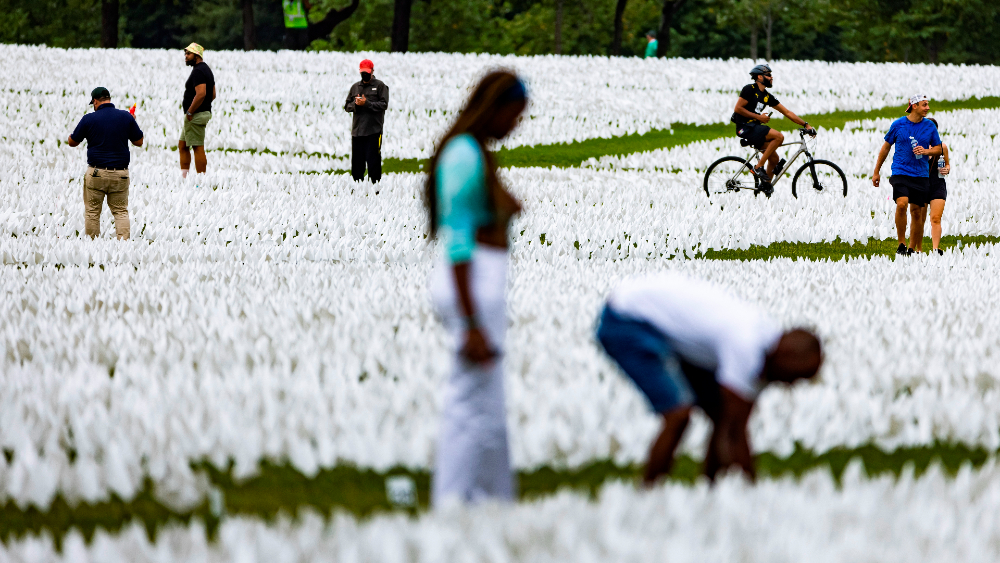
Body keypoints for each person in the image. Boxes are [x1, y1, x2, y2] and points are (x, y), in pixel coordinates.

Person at [596, 273, 822, 486]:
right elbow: (735, 431)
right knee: (678, 415)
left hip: (656, 322)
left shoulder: (768, 345)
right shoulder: (746, 346)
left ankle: (709, 494)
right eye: (794, 377)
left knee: (719, 413)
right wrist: (753, 494)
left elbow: (730, 420)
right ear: (785, 359)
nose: (790, 385)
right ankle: (647, 496)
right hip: (627, 319)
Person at [426, 70, 526, 506]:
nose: (516, 125)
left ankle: (486, 499)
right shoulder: (464, 154)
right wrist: (469, 322)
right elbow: (460, 239)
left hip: (479, 284)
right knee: (470, 402)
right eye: (515, 115)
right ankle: (456, 499)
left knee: (485, 402)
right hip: (471, 286)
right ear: (497, 107)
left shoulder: (472, 152)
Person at [66, 87, 144, 240]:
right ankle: (124, 245)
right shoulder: (126, 117)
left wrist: (70, 136)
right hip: (120, 174)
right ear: (109, 99)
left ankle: (93, 247)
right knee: (120, 211)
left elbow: (73, 142)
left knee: (92, 212)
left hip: (96, 174)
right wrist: (131, 122)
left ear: (95, 102)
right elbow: (139, 142)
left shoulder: (89, 119)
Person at [872, 95, 942, 255]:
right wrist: (876, 171)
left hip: (921, 174)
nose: (928, 108)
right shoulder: (898, 125)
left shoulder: (930, 126)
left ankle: (911, 248)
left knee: (917, 211)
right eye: (924, 105)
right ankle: (901, 243)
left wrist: (926, 151)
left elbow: (938, 149)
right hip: (900, 171)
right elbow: (885, 148)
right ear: (914, 106)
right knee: (902, 203)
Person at [731, 64, 814, 189]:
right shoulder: (749, 89)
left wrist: (806, 125)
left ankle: (766, 186)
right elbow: (738, 109)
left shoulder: (766, 96)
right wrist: (759, 117)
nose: (771, 77)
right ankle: (758, 167)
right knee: (779, 137)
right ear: (759, 77)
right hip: (745, 127)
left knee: (775, 159)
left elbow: (787, 112)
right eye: (768, 75)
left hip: (754, 127)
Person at [344, 59, 389, 184]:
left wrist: (367, 103)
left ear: (372, 71)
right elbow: (347, 106)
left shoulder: (380, 86)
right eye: (363, 72)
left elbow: (384, 105)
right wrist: (356, 104)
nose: (365, 74)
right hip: (357, 131)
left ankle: (375, 188)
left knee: (373, 161)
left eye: (367, 72)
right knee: (357, 163)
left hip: (373, 131)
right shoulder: (355, 87)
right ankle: (357, 187)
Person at [179, 43, 216, 178]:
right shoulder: (206, 70)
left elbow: (201, 94)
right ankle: (184, 177)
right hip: (197, 114)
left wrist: (191, 111)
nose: (186, 57)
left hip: (194, 115)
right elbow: (213, 94)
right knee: (183, 145)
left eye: (188, 54)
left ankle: (201, 180)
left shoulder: (199, 71)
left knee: (197, 146)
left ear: (196, 55)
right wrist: (204, 106)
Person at [919, 118, 950, 255]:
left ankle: (935, 249)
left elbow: (947, 164)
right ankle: (917, 249)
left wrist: (947, 169)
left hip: (938, 185)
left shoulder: (942, 147)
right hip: (921, 185)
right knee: (920, 219)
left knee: (935, 218)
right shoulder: (918, 147)